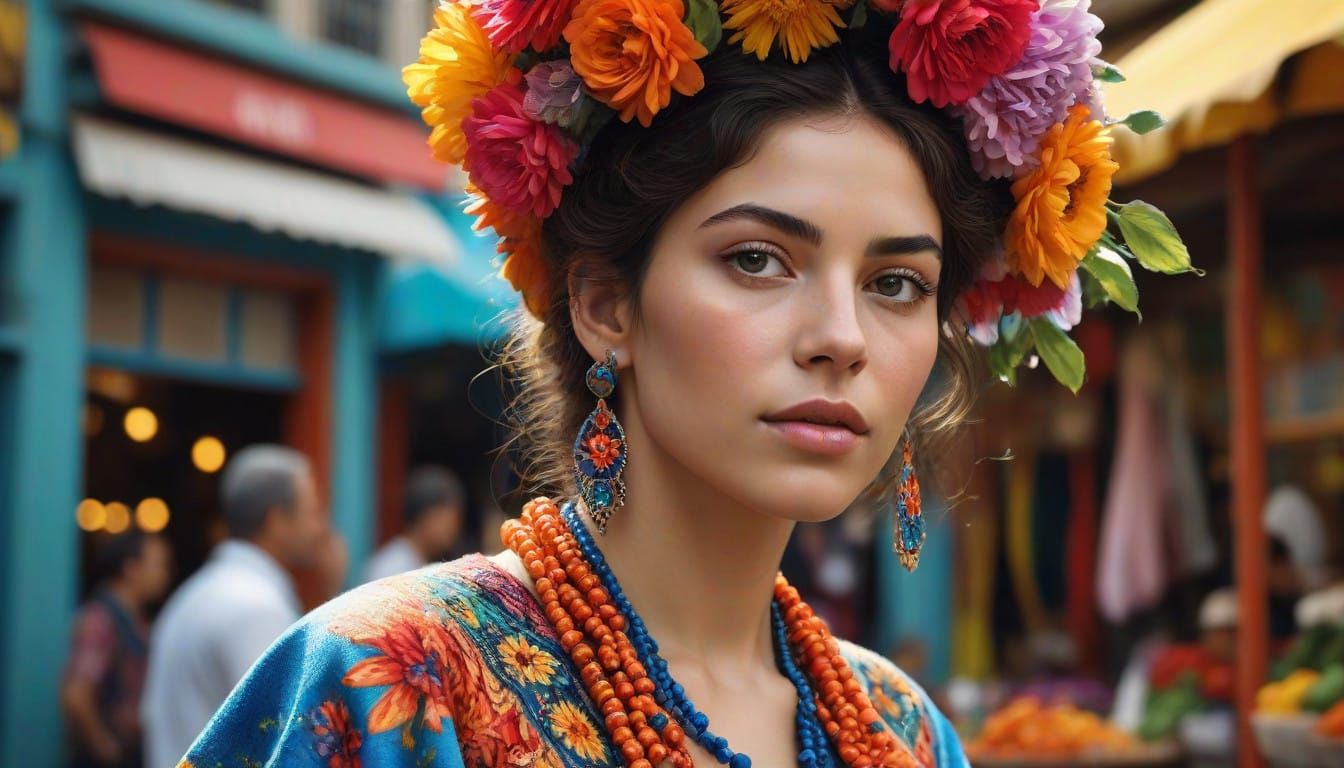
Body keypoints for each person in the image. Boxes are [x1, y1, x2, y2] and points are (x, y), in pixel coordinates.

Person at [183, 2, 1179, 765]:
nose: (842, 339)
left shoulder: (905, 732)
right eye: (757, 259)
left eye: (895, 283)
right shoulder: (391, 682)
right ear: (606, 306)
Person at [141, 445, 326, 768]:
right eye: (313, 512)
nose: (320, 528)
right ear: (276, 519)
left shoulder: (198, 592)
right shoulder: (256, 607)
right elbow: (287, 742)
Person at [62, 531, 172, 768]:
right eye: (159, 564)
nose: (165, 574)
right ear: (131, 568)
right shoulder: (100, 620)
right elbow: (76, 695)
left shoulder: (136, 622)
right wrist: (104, 746)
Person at [364, 466, 466, 581]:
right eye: (448, 521)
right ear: (425, 517)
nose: (454, 530)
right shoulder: (393, 568)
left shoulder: (416, 562)